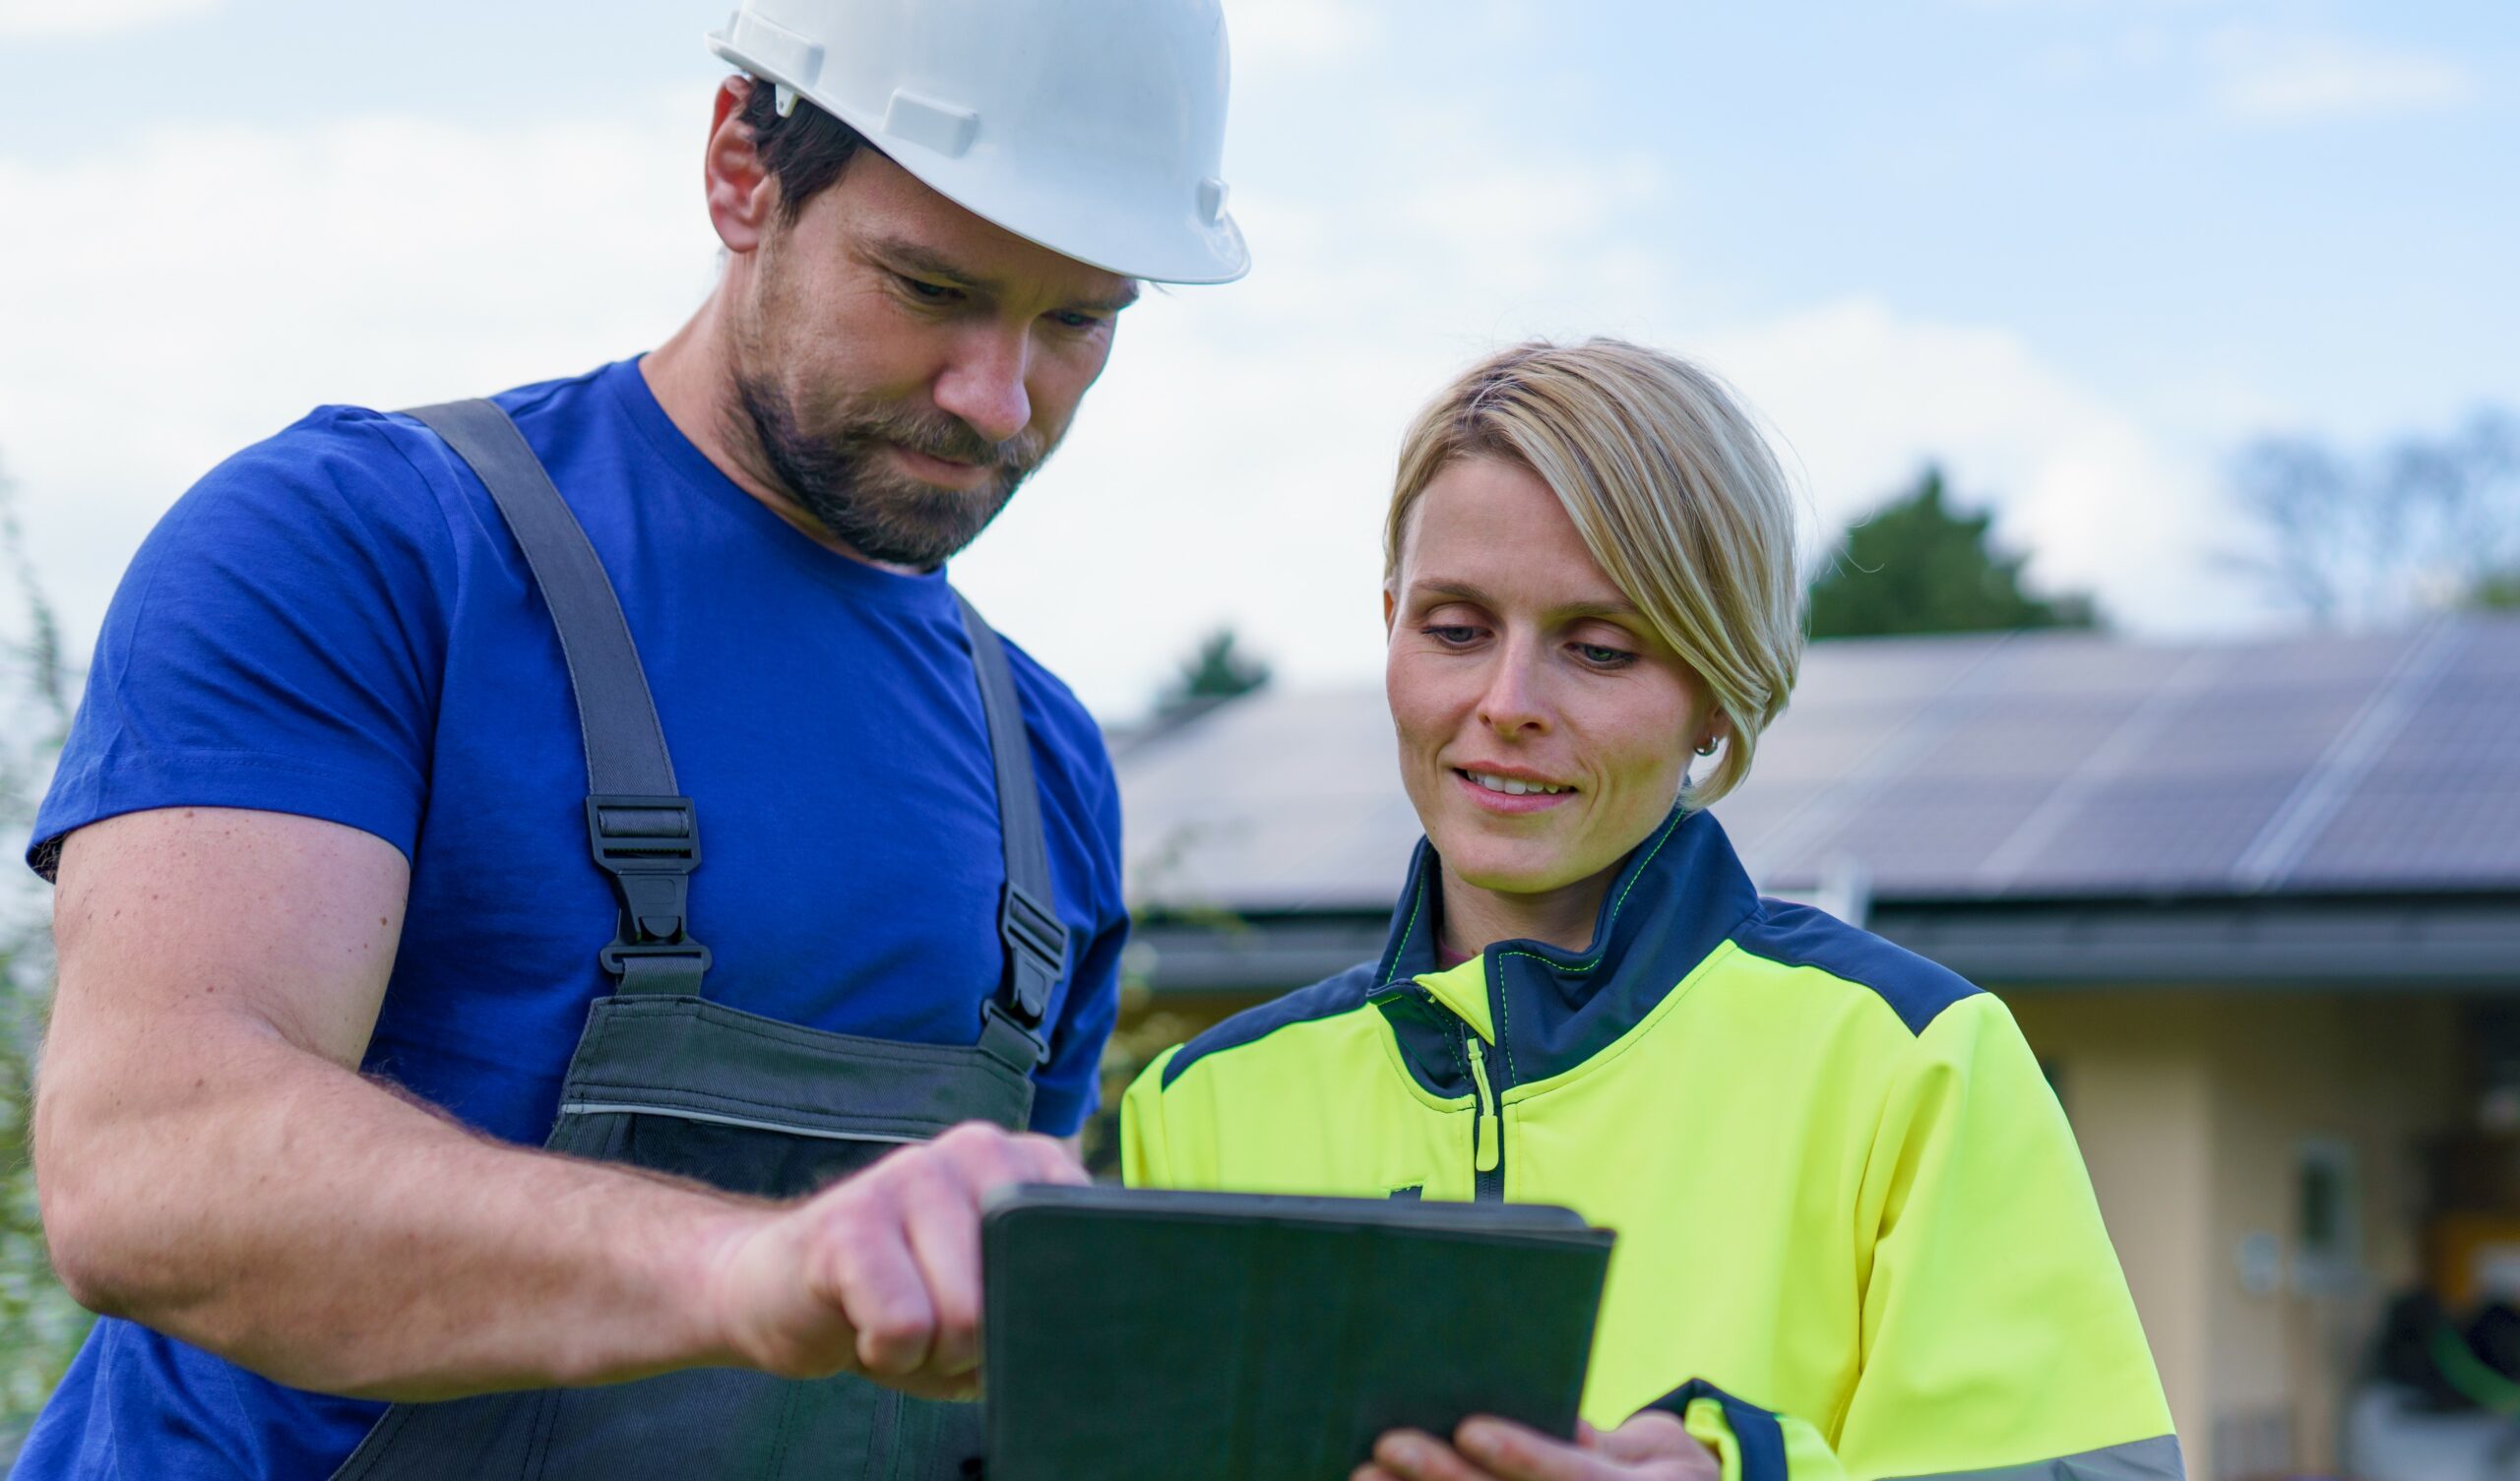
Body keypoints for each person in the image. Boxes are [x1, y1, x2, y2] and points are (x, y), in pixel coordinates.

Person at [22, 2, 1247, 1477]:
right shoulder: (366, 546)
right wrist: (755, 1275)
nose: (998, 397)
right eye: (929, 287)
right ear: (742, 171)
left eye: (1078, 320)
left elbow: (997, 1379)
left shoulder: (1042, 763)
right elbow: (150, 1163)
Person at [1122, 339, 2183, 1481]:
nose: (1507, 702)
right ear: (1389, 626)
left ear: (1719, 696)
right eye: (1455, 628)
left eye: (1599, 647)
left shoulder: (1915, 1060)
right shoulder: (1198, 1109)